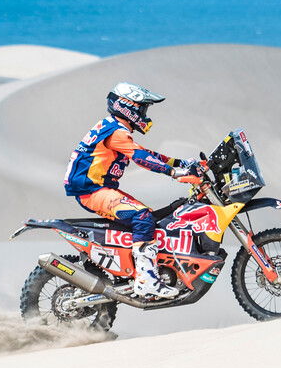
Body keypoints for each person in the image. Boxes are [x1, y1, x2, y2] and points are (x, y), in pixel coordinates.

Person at [63, 82, 202, 299]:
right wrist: (174, 173)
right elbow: (141, 158)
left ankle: (134, 270)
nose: (145, 114)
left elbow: (146, 153)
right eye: (142, 108)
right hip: (93, 191)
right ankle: (146, 279)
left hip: (100, 189)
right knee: (143, 218)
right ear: (128, 106)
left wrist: (181, 162)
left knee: (150, 218)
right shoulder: (117, 132)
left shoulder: (114, 127)